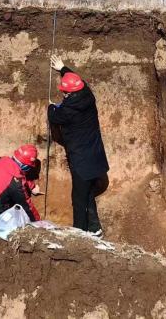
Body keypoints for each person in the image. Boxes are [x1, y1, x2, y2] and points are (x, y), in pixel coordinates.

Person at [47, 55, 109, 236]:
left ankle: (79, 234)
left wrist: (51, 107)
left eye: (64, 92)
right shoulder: (88, 95)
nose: (63, 95)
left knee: (79, 199)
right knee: (88, 193)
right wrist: (63, 68)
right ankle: (95, 229)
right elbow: (79, 81)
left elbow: (53, 116)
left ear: (68, 93)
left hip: (81, 162)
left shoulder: (67, 111)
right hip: (96, 158)